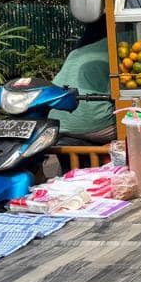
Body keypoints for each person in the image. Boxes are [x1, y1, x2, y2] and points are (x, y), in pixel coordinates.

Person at [51, 20, 115, 170]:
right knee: (136, 127)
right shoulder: (118, 44)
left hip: (57, 120)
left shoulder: (77, 51)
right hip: (94, 123)